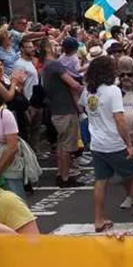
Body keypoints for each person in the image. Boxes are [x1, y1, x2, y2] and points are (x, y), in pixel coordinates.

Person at [79, 56, 133, 232]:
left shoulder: (88, 91)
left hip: (97, 143)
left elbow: (82, 108)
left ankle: (98, 219)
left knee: (101, 181)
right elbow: (119, 120)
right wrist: (129, 144)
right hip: (114, 143)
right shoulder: (112, 91)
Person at [41, 38, 84, 188]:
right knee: (67, 145)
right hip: (65, 110)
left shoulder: (48, 66)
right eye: (54, 45)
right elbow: (73, 84)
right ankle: (65, 177)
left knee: (61, 144)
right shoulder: (55, 65)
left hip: (57, 110)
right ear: (47, 49)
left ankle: (61, 174)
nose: (58, 47)